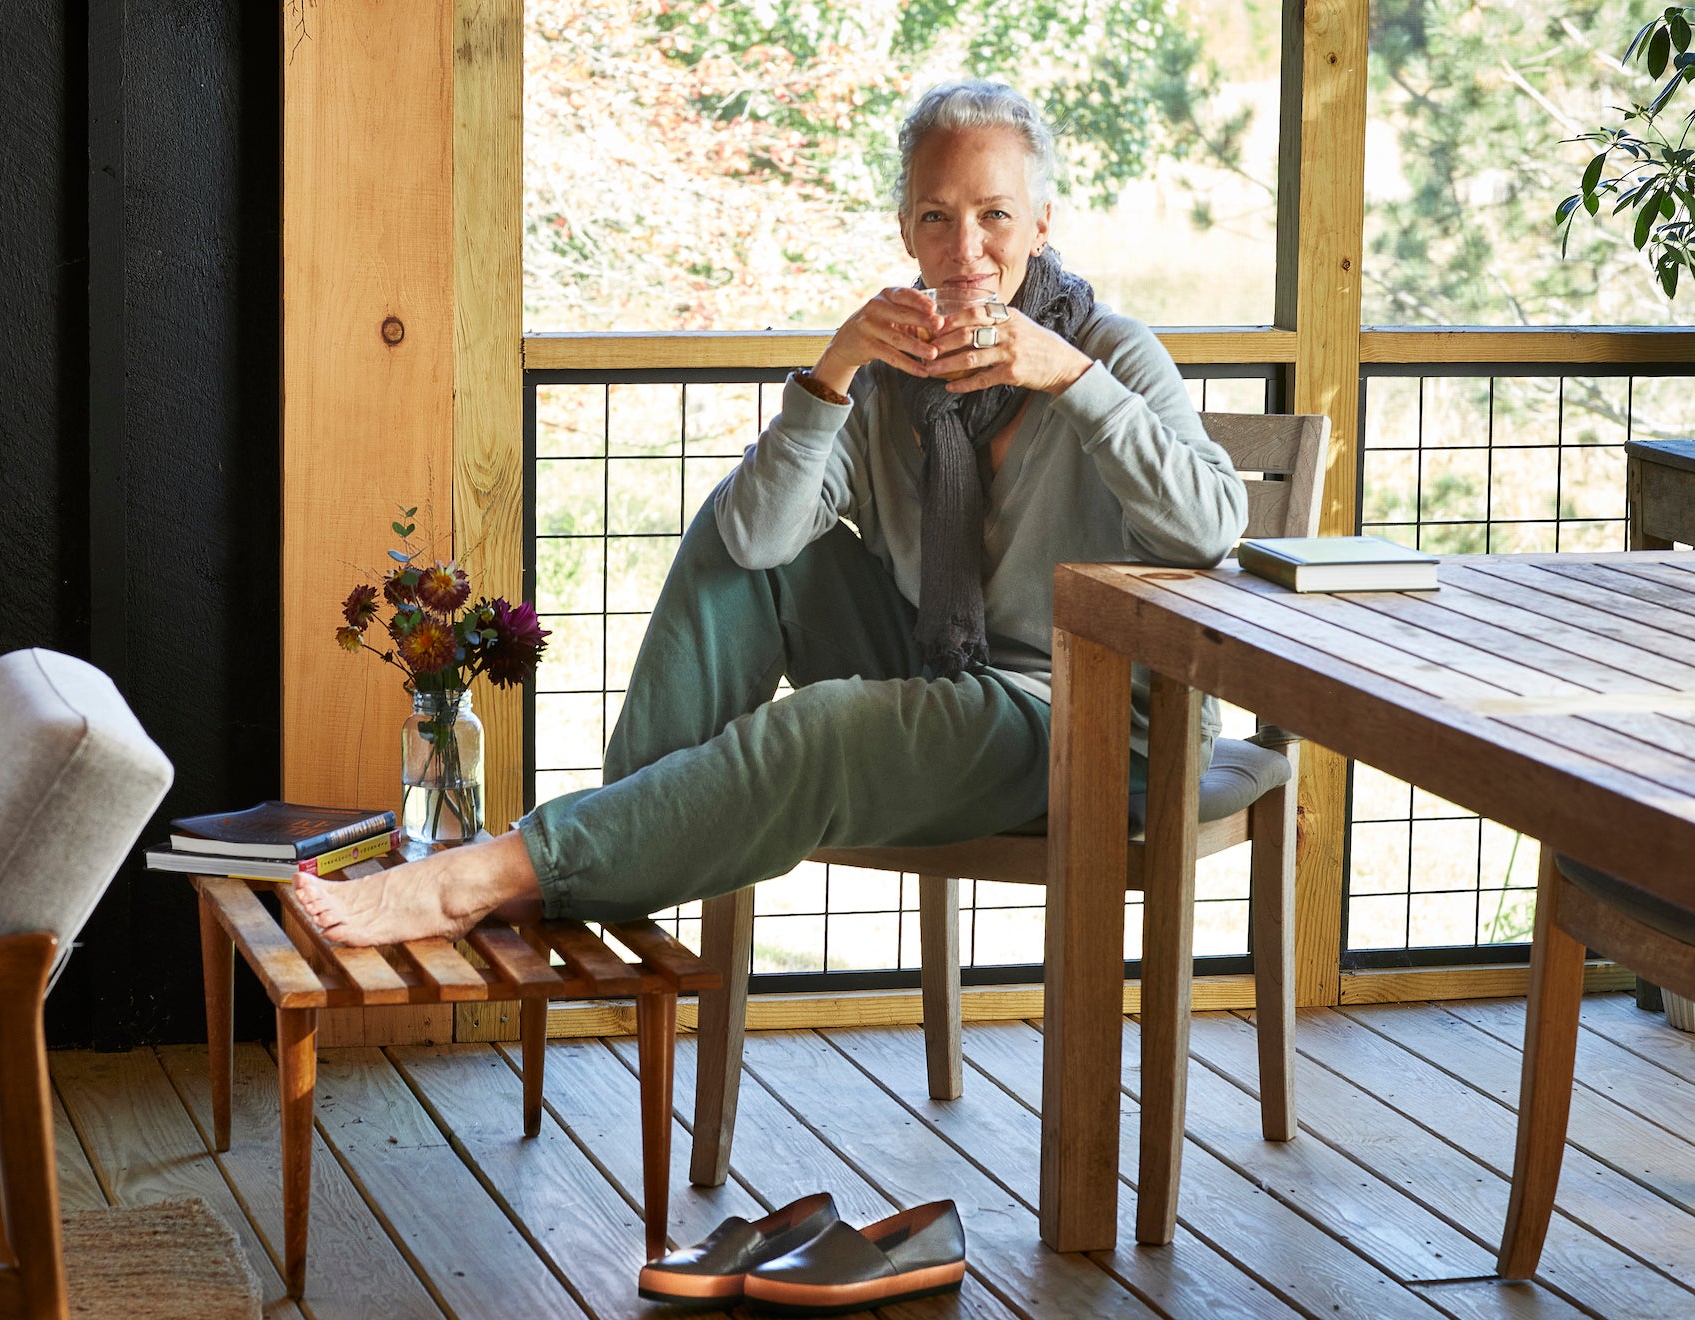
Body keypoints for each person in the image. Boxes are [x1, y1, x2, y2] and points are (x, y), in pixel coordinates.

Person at [294, 79, 1248, 947]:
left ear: (1041, 222)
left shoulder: (1109, 352)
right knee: (736, 531)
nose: (966, 250)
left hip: (1082, 720)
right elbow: (752, 540)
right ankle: (615, 839)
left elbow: (1210, 527)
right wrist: (833, 372)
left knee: (822, 730)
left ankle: (501, 872)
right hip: (939, 676)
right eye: (937, 216)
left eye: (994, 215)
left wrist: (1069, 378)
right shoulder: (892, 373)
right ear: (906, 231)